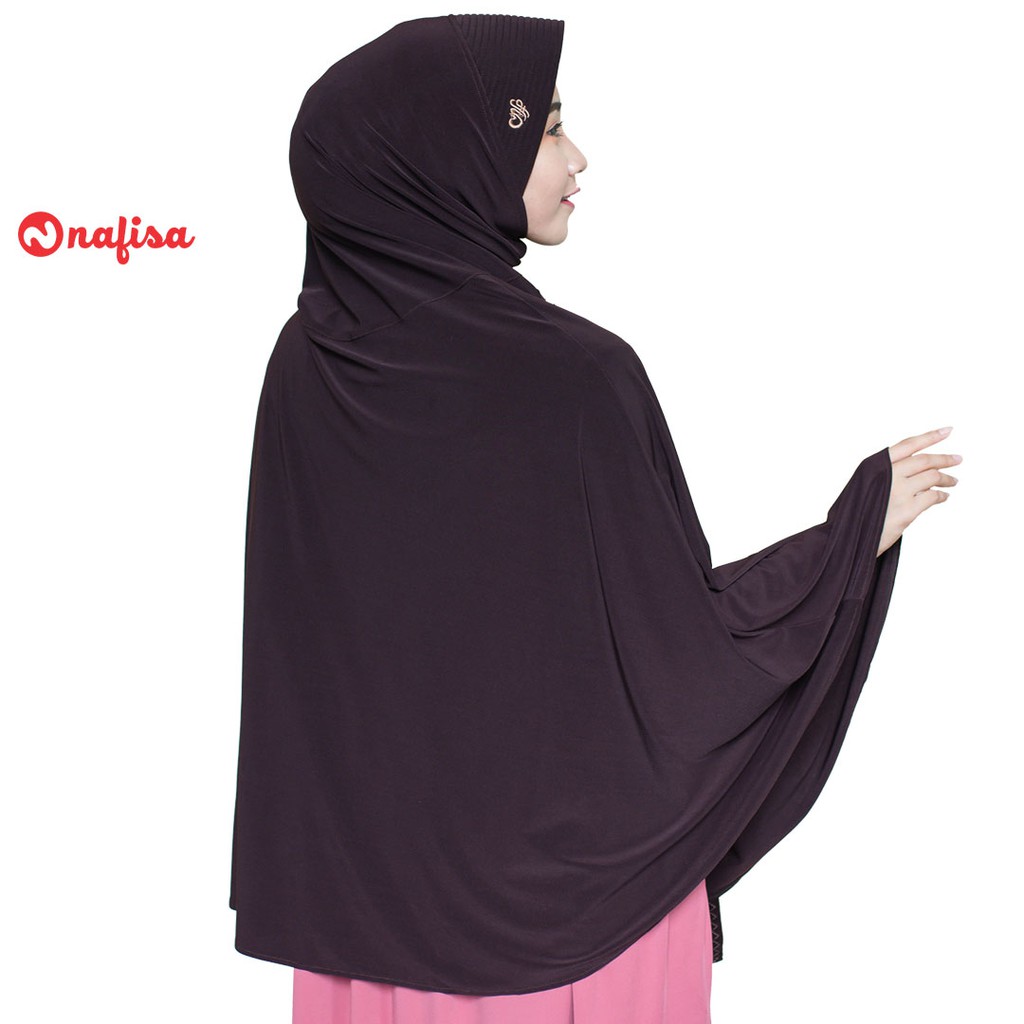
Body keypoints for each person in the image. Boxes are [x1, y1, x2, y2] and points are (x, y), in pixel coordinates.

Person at [228, 14, 960, 1024]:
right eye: (546, 128)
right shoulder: (573, 377)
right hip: (578, 930)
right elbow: (676, 655)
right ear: (450, 154)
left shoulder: (308, 369)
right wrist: (844, 549)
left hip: (367, 928)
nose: (578, 158)